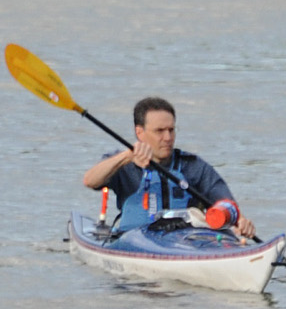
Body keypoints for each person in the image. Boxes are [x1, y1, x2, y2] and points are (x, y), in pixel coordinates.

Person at [82, 96, 257, 239]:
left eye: (171, 130)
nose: (168, 137)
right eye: (159, 131)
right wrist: (126, 156)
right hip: (135, 242)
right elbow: (90, 180)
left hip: (187, 241)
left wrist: (240, 221)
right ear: (140, 132)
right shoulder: (123, 165)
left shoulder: (192, 167)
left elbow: (223, 200)